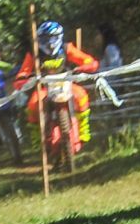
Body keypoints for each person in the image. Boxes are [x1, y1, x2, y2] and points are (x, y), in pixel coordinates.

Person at [16, 20, 97, 148]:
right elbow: (23, 72)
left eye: (53, 38)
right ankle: (37, 136)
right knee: (32, 104)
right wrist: (23, 79)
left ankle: (83, 129)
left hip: (66, 84)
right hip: (45, 87)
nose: (49, 42)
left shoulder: (66, 48)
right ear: (39, 39)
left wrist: (86, 66)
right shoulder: (34, 54)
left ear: (59, 37)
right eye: (45, 39)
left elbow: (86, 59)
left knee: (81, 96)